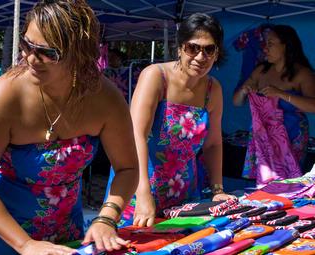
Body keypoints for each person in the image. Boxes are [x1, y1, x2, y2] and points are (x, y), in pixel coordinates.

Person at [0, 1, 139, 254]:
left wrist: (106, 218)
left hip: (68, 236)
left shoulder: (104, 98)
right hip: (5, 237)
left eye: (47, 52)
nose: (30, 58)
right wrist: (25, 244)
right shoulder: (2, 98)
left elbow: (128, 168)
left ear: (79, 53)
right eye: (26, 45)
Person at [105, 13, 235, 228]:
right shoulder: (156, 77)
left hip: (184, 193)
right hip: (139, 188)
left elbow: (213, 144)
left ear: (217, 52)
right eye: (193, 48)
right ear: (180, 47)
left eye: (209, 49)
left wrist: (217, 189)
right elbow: (136, 135)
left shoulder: (213, 89)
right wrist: (144, 194)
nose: (201, 57)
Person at [233, 24, 315, 186]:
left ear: (286, 45)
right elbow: (236, 102)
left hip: (292, 137)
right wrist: (244, 90)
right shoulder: (261, 71)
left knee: (289, 183)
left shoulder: (302, 73)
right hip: (263, 136)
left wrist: (281, 94)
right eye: (264, 44)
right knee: (264, 183)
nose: (265, 48)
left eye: (270, 43)